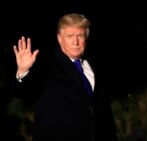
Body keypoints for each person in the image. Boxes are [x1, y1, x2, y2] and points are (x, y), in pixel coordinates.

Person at [12, 13, 117, 141]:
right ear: (59, 38)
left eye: (80, 36)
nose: (76, 42)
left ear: (86, 38)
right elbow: (23, 92)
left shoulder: (95, 65)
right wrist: (23, 70)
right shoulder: (46, 65)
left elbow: (104, 112)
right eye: (70, 36)